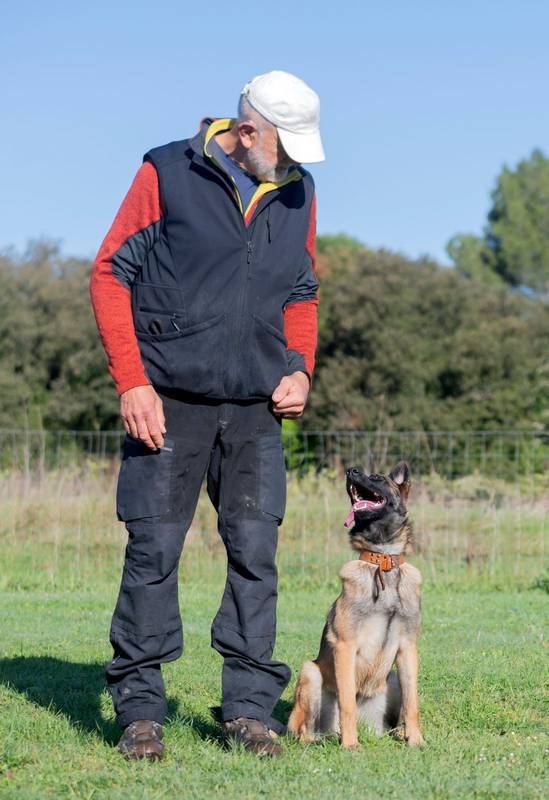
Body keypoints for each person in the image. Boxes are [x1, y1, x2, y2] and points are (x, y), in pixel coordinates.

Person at [89, 69, 324, 760]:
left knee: (255, 557)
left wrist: (299, 368)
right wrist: (133, 383)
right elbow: (110, 273)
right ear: (247, 132)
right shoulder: (166, 172)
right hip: (168, 402)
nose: (295, 161)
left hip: (254, 413)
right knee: (153, 553)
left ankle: (249, 711)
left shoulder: (299, 191)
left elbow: (302, 290)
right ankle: (140, 713)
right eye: (285, 146)